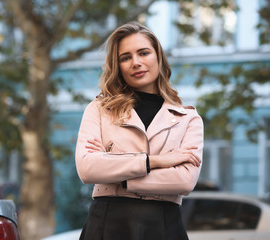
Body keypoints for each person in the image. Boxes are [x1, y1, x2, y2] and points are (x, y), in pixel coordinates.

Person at [75, 21, 204, 240]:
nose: (136, 63)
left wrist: (118, 175)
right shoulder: (99, 109)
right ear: (118, 66)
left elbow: (184, 181)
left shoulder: (188, 118)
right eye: (125, 57)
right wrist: (157, 161)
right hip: (108, 223)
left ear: (158, 57)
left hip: (163, 225)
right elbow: (87, 169)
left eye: (143, 53)